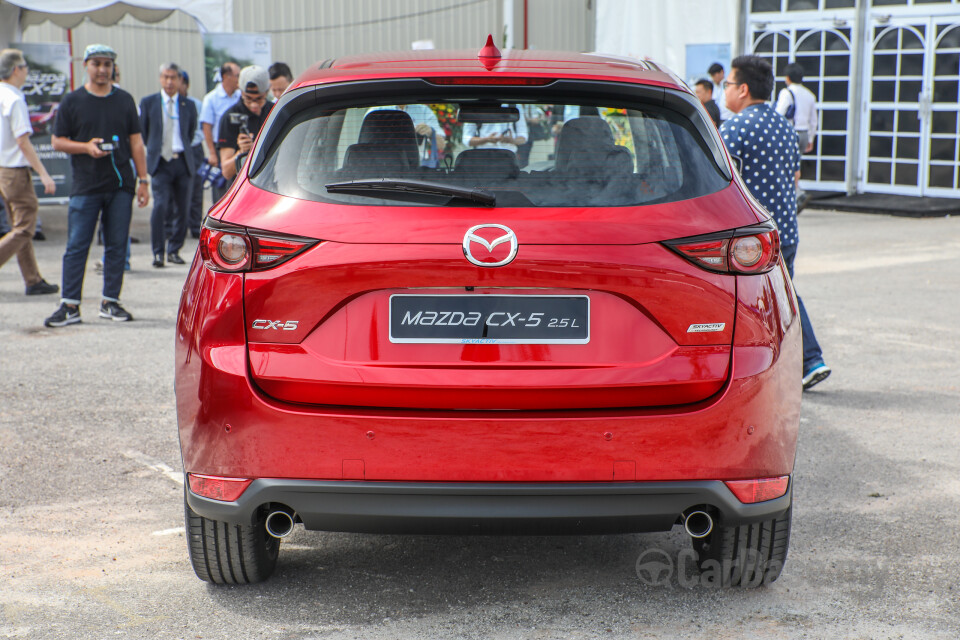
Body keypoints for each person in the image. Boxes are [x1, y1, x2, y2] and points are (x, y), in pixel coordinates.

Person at [720, 55, 830, 390]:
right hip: (787, 229)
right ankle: (789, 365)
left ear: (742, 89)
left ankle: (809, 359)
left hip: (755, 238)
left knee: (776, 299)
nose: (723, 91)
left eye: (726, 84)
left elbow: (721, 181)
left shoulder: (734, 128)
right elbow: (795, 176)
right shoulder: (783, 126)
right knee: (777, 297)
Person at [45, 44, 149, 327]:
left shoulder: (125, 100)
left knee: (116, 245)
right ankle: (70, 305)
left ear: (113, 67)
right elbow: (57, 141)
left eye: (107, 64)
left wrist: (143, 180)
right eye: (97, 64)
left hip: (120, 184)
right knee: (77, 245)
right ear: (86, 66)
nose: (102, 70)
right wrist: (85, 147)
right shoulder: (72, 101)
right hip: (85, 185)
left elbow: (136, 142)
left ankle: (110, 302)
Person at [0, 48, 58, 296]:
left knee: (17, 225)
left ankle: (33, 279)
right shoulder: (14, 99)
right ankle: (33, 279)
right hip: (14, 169)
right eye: (24, 67)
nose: (25, 71)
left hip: (2, 168)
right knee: (25, 227)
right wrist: (44, 173)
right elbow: (23, 141)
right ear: (16, 70)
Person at [140, 62, 197, 268]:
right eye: (166, 77)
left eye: (173, 77)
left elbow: (189, 132)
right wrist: (157, 150)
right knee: (161, 206)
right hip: (161, 162)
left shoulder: (187, 105)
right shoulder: (149, 103)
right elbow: (145, 133)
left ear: (180, 80)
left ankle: (174, 249)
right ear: (160, 78)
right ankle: (158, 252)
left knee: (183, 208)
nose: (170, 81)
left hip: (182, 160)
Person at [217, 66, 274, 184]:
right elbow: (226, 171)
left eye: (259, 99)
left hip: (270, 183)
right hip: (241, 186)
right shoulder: (230, 117)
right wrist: (241, 152)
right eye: (248, 99)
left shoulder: (274, 112)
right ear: (241, 92)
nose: (254, 105)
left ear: (267, 92)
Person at [775, 63, 818, 211]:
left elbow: (779, 114)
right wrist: (811, 139)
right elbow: (814, 120)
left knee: (785, 166)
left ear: (787, 78)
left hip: (790, 133)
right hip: (804, 133)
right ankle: (796, 193)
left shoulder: (786, 93)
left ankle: (795, 195)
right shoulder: (810, 94)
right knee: (795, 165)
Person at [199, 61, 239, 203]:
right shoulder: (211, 99)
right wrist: (212, 153)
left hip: (239, 147)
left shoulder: (240, 96)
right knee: (221, 192)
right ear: (226, 76)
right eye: (237, 75)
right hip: (220, 148)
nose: (239, 79)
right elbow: (206, 127)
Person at [179, 70, 205, 238]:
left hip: (194, 148)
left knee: (196, 189)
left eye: (180, 81)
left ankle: (195, 227)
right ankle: (171, 228)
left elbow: (200, 128)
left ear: (186, 85)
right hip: (178, 151)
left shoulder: (195, 104)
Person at [462, 104, 528, 153]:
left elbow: (523, 137)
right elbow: (466, 139)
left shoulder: (514, 105)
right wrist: (486, 139)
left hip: (508, 159)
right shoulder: (475, 107)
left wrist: (511, 140)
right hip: (483, 159)